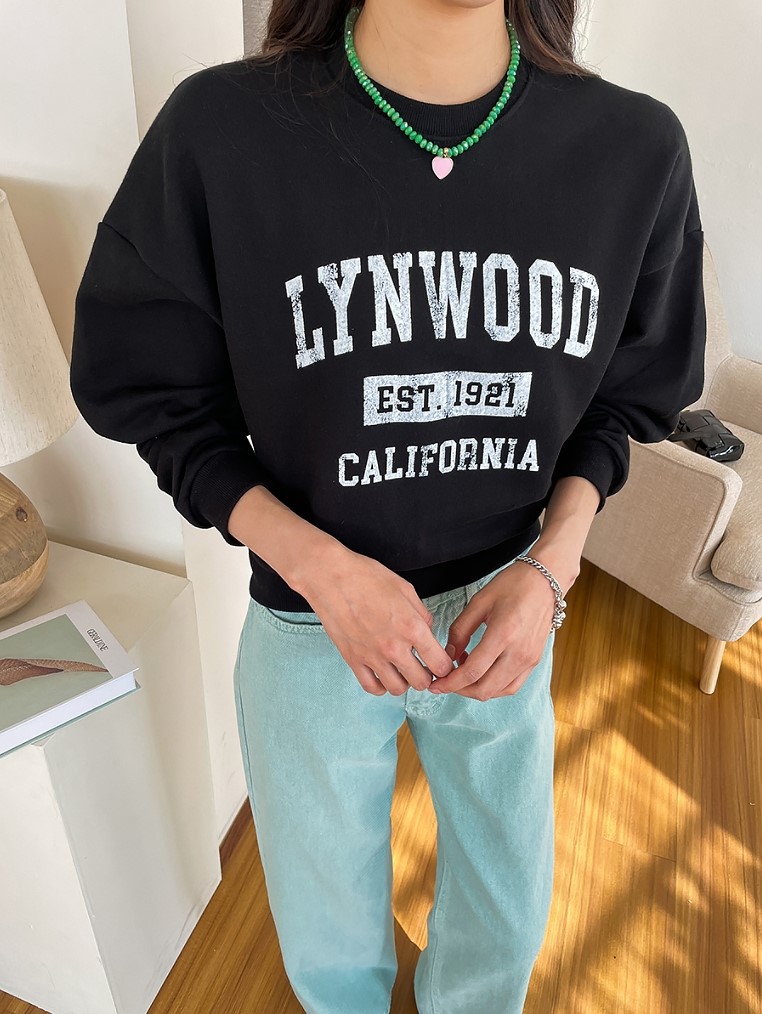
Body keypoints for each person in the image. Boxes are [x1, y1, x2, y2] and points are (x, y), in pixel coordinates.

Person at [68, 1, 707, 1011]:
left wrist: (552, 568)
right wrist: (320, 571)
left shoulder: (634, 150)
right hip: (307, 623)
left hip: (510, 606)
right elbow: (150, 392)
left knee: (506, 926)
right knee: (327, 948)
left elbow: (630, 398)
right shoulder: (221, 132)